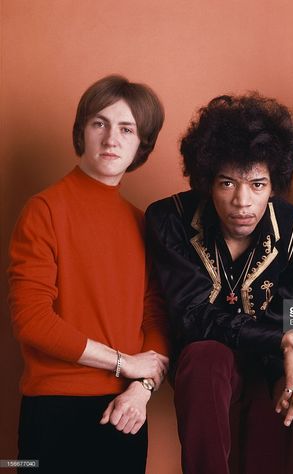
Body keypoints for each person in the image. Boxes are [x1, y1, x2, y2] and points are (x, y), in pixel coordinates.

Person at [145, 93, 293, 474]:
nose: (242, 201)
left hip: (265, 366)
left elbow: (291, 314)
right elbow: (193, 316)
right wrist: (290, 338)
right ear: (206, 181)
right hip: (202, 370)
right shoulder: (171, 219)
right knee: (206, 355)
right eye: (227, 183)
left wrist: (289, 366)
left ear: (274, 184)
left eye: (258, 184)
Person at [8, 75, 169, 474]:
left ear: (141, 144)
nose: (112, 138)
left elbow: (156, 318)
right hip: (53, 408)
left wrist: (142, 389)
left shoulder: (142, 223)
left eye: (127, 128)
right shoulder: (43, 210)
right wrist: (122, 364)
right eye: (100, 123)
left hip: (127, 410)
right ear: (82, 131)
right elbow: (32, 321)